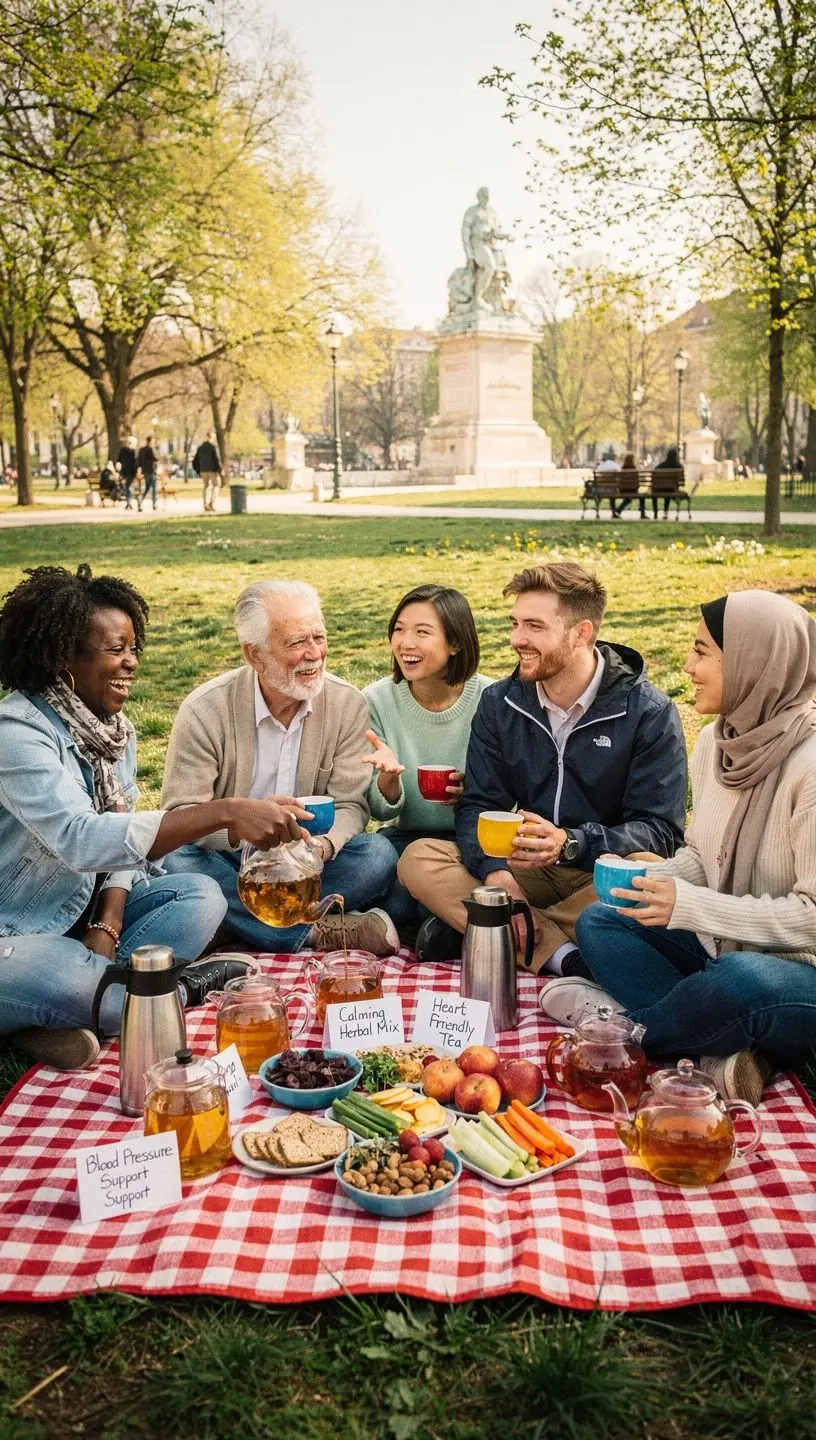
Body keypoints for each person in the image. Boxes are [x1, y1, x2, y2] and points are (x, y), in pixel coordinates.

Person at [0, 565, 315, 1072]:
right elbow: (81, 840)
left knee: (199, 895)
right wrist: (226, 810)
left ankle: (61, 1019)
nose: (131, 664)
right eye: (115, 650)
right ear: (63, 658)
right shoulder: (16, 734)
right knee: (50, 969)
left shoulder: (109, 730)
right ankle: (163, 990)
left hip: (80, 916)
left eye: (133, 649)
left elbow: (123, 841)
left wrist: (108, 922)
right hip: (13, 933)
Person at [542, 591, 816, 1108]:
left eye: (701, 651)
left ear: (755, 664)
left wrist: (688, 904)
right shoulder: (719, 740)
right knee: (604, 919)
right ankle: (718, 1052)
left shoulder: (810, 765)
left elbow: (813, 917)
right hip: (722, 944)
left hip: (793, 974)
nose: (687, 666)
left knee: (742, 979)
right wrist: (657, 879)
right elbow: (703, 855)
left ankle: (620, 1034)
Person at [398, 563, 687, 972]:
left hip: (598, 874)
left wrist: (571, 842)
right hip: (525, 865)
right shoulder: (502, 704)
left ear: (582, 633)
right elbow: (479, 803)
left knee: (653, 873)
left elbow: (660, 831)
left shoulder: (647, 711)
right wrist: (498, 876)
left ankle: (492, 928)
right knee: (420, 857)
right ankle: (566, 959)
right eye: (515, 624)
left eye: (534, 626)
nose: (517, 640)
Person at [161, 580, 399, 955]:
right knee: (176, 861)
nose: (314, 654)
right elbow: (180, 816)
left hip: (309, 859)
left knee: (378, 856)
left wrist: (320, 848)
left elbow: (351, 806)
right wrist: (241, 830)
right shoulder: (204, 710)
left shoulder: (347, 704)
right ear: (255, 655)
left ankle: (232, 923)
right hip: (229, 858)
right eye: (295, 643)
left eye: (318, 638)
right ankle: (317, 932)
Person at [362, 584, 492, 928]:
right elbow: (378, 809)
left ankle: (444, 926)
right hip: (407, 839)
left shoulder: (491, 699)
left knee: (417, 906)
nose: (406, 643)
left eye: (422, 632)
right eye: (399, 630)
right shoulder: (377, 700)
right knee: (400, 902)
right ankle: (444, 926)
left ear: (455, 643)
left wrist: (474, 795)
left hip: (472, 842)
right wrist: (388, 779)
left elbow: (513, 794)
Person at [650, 446, 684, 519]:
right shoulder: (679, 466)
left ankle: (655, 512)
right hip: (672, 489)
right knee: (668, 491)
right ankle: (665, 512)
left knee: (656, 491)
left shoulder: (662, 465)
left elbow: (654, 473)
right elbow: (682, 482)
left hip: (660, 489)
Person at [193, 430, 223, 513]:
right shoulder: (213, 447)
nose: (215, 439)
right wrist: (220, 469)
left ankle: (205, 504)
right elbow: (216, 459)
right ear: (211, 437)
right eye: (214, 437)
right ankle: (212, 503)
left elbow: (195, 460)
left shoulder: (200, 448)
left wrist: (198, 470)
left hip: (203, 470)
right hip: (212, 470)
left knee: (206, 486)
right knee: (216, 485)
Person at [611, 451, 640, 519]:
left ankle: (618, 510)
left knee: (628, 498)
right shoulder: (634, 469)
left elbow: (619, 482)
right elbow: (637, 483)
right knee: (629, 498)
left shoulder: (622, 469)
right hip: (633, 491)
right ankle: (642, 514)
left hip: (623, 490)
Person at [117, 435, 139, 511]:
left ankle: (128, 503)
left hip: (123, 472)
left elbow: (118, 460)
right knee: (129, 488)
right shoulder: (134, 452)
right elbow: (135, 464)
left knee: (127, 487)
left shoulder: (122, 450)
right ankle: (129, 503)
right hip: (131, 473)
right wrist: (136, 473)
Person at [137, 435, 158, 511]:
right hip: (151, 472)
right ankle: (154, 504)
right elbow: (156, 458)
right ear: (150, 441)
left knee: (146, 489)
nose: (154, 443)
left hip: (145, 472)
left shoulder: (142, 450)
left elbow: (139, 461)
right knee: (154, 489)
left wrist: (140, 470)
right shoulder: (151, 449)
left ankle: (140, 501)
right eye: (153, 441)